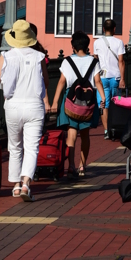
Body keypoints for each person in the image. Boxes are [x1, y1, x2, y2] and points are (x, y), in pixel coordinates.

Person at [0, 19, 51, 201]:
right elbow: (46, 82)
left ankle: (15, 186)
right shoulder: (39, 57)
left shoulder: (6, 56)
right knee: (31, 148)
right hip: (34, 106)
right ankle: (26, 184)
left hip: (13, 106)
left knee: (15, 147)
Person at [51, 31, 105, 177]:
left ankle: (72, 165)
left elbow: (62, 81)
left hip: (71, 101)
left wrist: (55, 101)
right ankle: (82, 165)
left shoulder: (67, 61)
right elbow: (98, 81)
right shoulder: (93, 62)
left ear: (73, 46)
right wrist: (103, 97)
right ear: (87, 46)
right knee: (85, 135)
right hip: (88, 101)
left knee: (72, 134)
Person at [94, 18, 126, 139]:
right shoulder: (119, 42)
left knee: (103, 104)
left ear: (103, 29)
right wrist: (122, 79)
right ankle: (115, 128)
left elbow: (96, 60)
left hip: (101, 78)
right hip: (116, 77)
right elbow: (121, 62)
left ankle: (107, 131)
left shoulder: (97, 43)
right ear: (114, 29)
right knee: (115, 103)